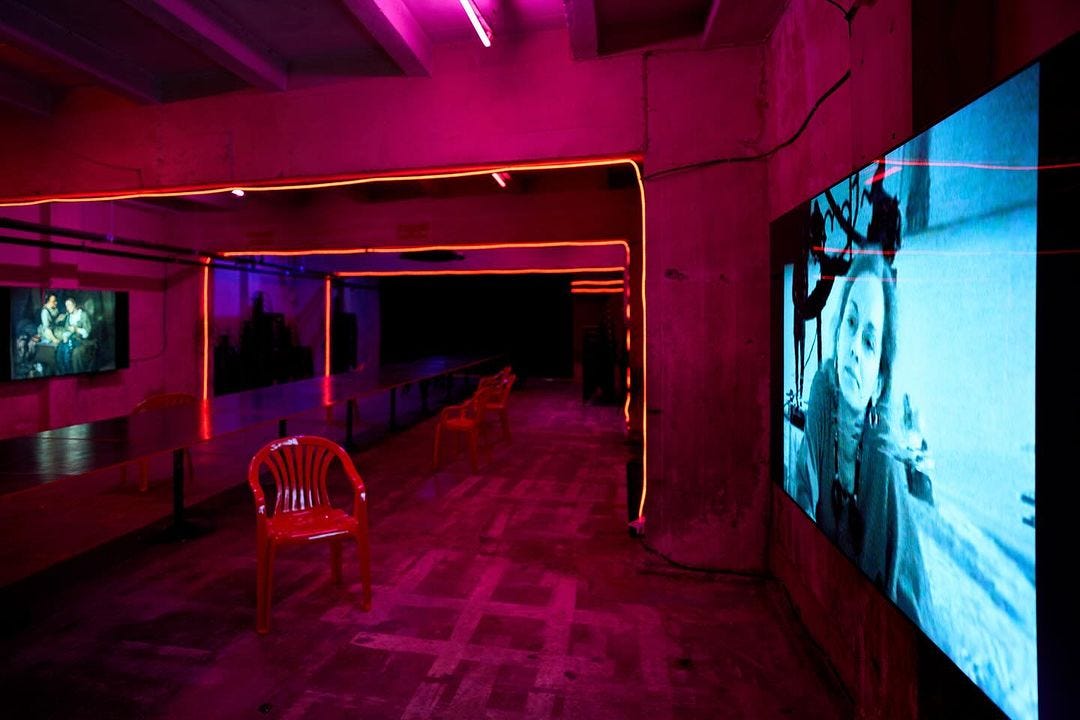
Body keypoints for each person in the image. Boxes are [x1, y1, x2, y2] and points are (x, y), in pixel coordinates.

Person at [790, 251, 933, 628]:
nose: (853, 347)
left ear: (880, 382)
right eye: (850, 323)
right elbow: (803, 482)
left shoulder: (883, 460)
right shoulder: (824, 388)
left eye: (869, 342)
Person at [55, 297, 92, 374]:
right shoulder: (69, 316)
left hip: (80, 340)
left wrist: (76, 329)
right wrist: (65, 334)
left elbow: (87, 333)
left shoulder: (83, 315)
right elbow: (67, 329)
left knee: (66, 352)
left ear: (74, 304)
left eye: (69, 305)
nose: (67, 308)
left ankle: (69, 373)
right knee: (59, 352)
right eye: (66, 306)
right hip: (70, 339)